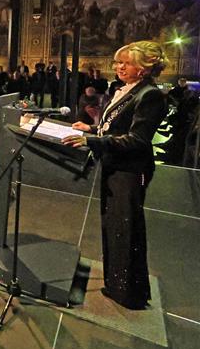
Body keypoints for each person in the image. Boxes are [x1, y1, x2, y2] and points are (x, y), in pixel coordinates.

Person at [63, 40, 169, 310]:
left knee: (127, 228)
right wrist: (90, 129)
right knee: (114, 226)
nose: (119, 67)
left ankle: (129, 293)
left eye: (127, 62)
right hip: (115, 166)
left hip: (130, 172)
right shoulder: (127, 90)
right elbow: (114, 127)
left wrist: (92, 143)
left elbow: (137, 140)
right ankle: (116, 284)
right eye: (118, 62)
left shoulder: (150, 95)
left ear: (143, 68)